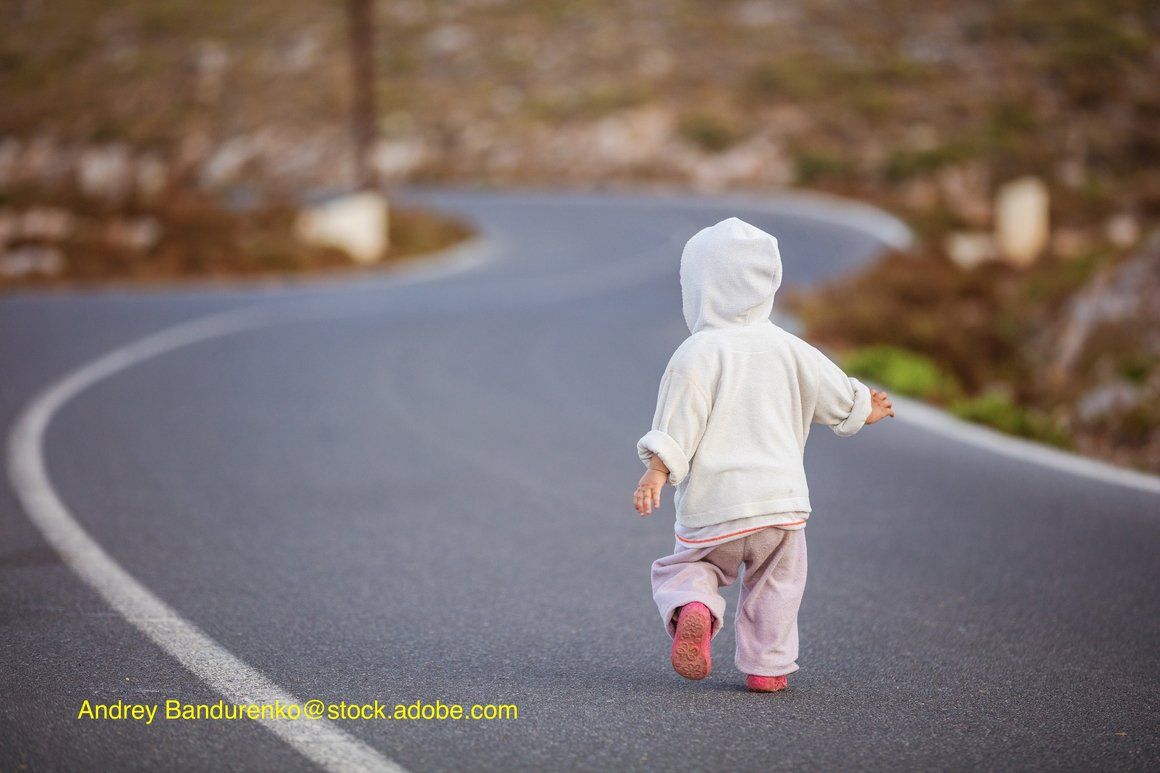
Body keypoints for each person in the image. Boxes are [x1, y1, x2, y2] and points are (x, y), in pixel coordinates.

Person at [633, 217, 894, 692]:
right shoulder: (791, 349)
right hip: (781, 505)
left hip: (717, 506)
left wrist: (657, 469)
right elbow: (837, 396)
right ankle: (767, 669)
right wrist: (867, 409)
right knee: (778, 586)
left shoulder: (697, 353)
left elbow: (678, 422)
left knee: (691, 568)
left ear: (699, 287)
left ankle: (697, 607)